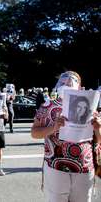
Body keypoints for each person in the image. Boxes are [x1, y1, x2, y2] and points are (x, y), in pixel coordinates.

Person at [31, 71, 101, 202]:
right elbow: (34, 133)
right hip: (56, 166)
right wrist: (53, 127)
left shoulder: (90, 106)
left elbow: (99, 139)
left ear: (79, 87)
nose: (66, 84)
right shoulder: (46, 106)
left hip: (84, 167)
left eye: (71, 82)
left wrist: (98, 128)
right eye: (62, 82)